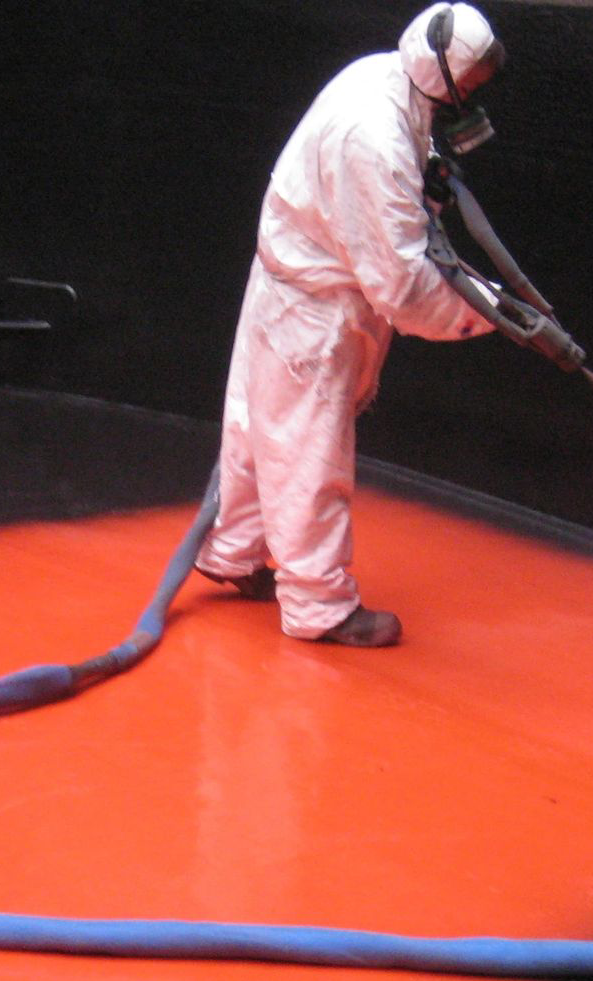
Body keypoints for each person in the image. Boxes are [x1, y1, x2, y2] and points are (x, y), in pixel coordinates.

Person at [195, 4, 507, 648]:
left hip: (289, 272)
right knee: (311, 448)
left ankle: (231, 551)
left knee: (258, 427)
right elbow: (403, 287)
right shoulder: (376, 135)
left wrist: (427, 183)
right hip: (315, 306)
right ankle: (319, 606)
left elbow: (387, 200)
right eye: (469, 87)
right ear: (440, 71)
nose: (472, 99)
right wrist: (489, 310)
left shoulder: (384, 76)